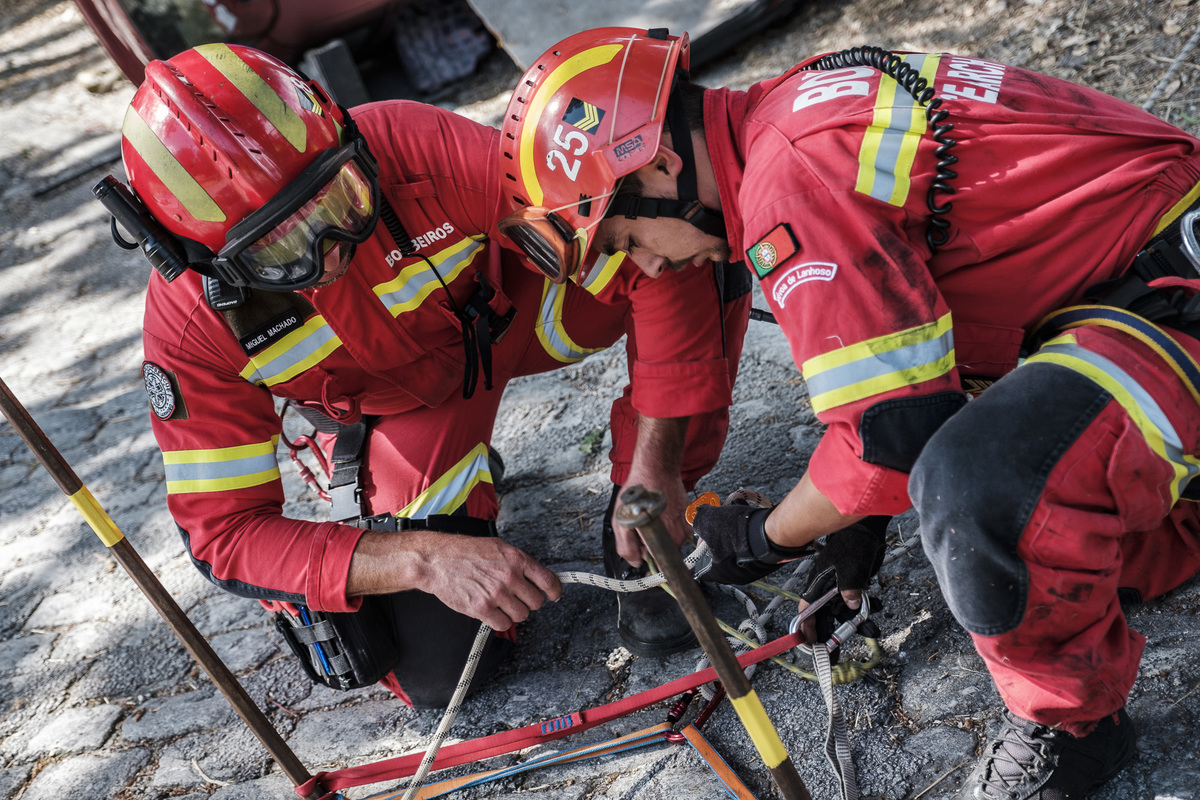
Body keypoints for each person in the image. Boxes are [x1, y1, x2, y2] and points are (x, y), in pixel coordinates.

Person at [496, 26, 1200, 799]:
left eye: (628, 236)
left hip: (1170, 308)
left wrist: (763, 540)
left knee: (978, 491)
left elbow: (893, 438)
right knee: (1019, 560)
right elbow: (915, 354)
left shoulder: (789, 183)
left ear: (660, 164)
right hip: (1146, 287)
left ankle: (1072, 732)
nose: (651, 263)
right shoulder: (792, 111)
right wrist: (855, 520)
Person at [104, 43, 750, 708]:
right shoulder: (194, 328)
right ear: (200, 259)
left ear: (347, 139)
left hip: (521, 316)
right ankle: (444, 490)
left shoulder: (409, 144)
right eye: (279, 248)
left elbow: (627, 228)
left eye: (340, 198)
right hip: (401, 411)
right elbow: (226, 534)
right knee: (441, 671)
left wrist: (654, 465)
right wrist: (424, 558)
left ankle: (646, 539)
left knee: (682, 239)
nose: (332, 248)